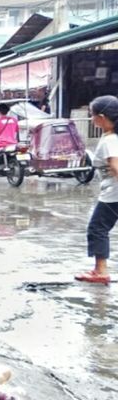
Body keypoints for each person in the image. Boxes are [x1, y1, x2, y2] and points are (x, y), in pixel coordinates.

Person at [75, 95, 118, 284]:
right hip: (112, 192)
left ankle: (101, 271)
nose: (91, 119)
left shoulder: (110, 140)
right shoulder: (112, 137)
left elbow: (116, 167)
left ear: (101, 117)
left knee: (97, 228)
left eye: (92, 116)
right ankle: (98, 269)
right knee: (99, 228)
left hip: (113, 194)